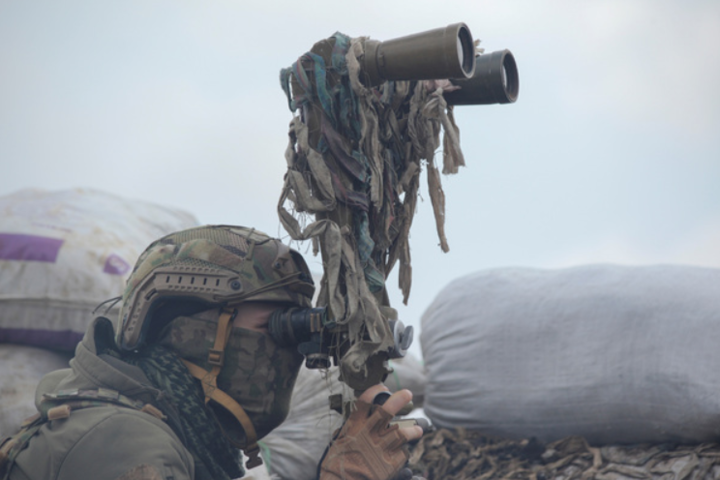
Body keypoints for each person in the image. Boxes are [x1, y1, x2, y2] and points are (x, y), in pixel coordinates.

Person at [0, 225, 422, 480]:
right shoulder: (125, 441)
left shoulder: (174, 436)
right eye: (273, 327)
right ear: (191, 333)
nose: (285, 351)